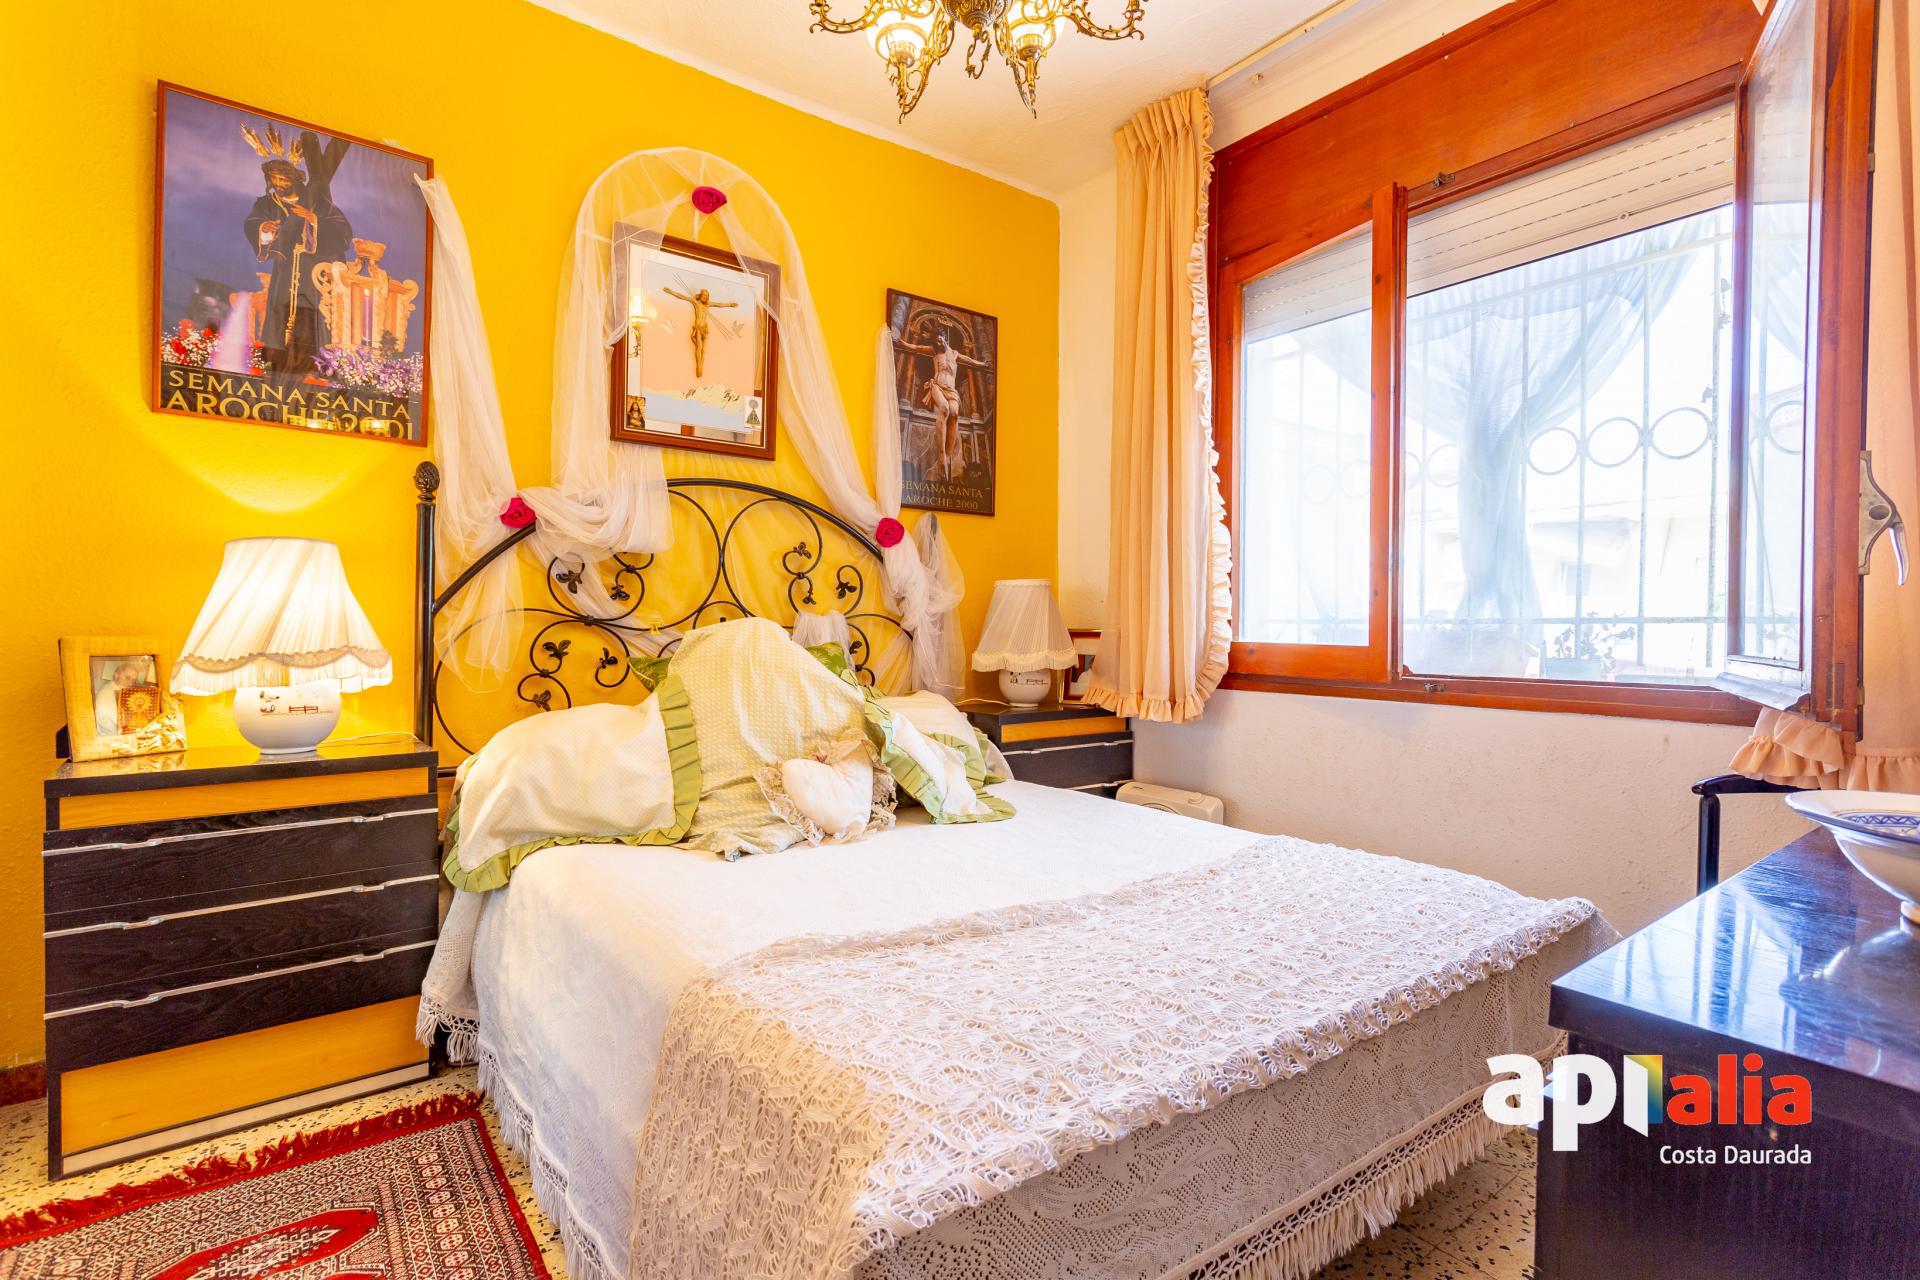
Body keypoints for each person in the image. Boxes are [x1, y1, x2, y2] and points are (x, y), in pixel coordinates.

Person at [241, 125, 352, 376]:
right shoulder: (266, 204)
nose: (279, 184)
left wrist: (313, 219)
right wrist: (265, 230)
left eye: (284, 179)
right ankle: (278, 365)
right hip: (286, 268)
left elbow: (342, 230)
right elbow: (252, 224)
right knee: (280, 316)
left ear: (295, 179)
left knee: (313, 317)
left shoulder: (317, 200)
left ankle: (315, 366)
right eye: (274, 179)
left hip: (313, 270)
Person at [894, 326, 989, 481]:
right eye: (936, 341)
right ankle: (942, 455)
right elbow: (917, 348)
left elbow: (970, 360)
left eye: (940, 340)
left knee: (954, 414)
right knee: (944, 409)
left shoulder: (955, 354)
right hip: (937, 386)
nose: (938, 343)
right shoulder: (934, 352)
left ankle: (949, 455)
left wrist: (982, 365)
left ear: (945, 338)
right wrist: (903, 343)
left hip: (951, 390)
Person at [661, 285, 739, 379]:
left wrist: (730, 305)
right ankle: (699, 366)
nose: (704, 297)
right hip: (698, 327)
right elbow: (682, 297)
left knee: (704, 350)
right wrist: (670, 291)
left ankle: (701, 365)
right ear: (700, 295)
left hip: (705, 328)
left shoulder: (708, 304)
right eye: (703, 295)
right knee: (699, 347)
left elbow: (719, 304)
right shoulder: (696, 302)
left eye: (706, 295)